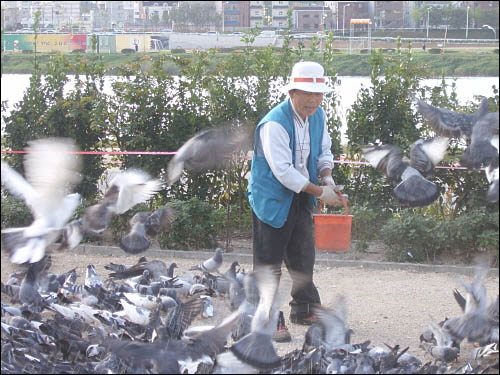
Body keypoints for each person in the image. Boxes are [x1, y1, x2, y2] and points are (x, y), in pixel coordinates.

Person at [247, 61, 344, 337]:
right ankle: (267, 318)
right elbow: (283, 172)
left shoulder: (319, 116)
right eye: (306, 93)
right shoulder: (273, 123)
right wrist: (319, 191)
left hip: (303, 192)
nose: (313, 100)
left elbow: (324, 150)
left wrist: (327, 178)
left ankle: (304, 308)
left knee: (303, 254)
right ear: (292, 93)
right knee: (269, 260)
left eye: (318, 94)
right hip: (272, 197)